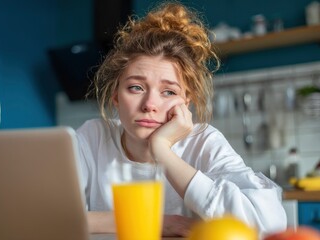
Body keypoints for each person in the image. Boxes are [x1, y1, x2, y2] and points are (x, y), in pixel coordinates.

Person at [75, 1, 287, 237]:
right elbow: (49, 217)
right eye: (136, 87)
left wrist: (163, 151)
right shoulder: (92, 137)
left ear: (186, 103)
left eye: (169, 92)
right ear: (115, 97)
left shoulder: (203, 142)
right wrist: (159, 223)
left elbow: (269, 225)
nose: (149, 105)